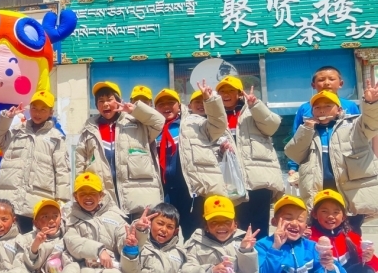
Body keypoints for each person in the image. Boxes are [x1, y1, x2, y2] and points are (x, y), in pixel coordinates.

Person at [284, 84, 378, 235]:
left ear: (339, 110)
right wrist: (307, 128)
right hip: (318, 191)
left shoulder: (354, 125)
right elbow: (293, 152)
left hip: (349, 192)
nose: (322, 110)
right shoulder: (308, 130)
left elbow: (372, 123)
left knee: (351, 232)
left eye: (328, 106)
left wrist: (371, 103)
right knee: (319, 233)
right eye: (317, 107)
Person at [75, 81, 165, 217]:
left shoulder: (137, 122)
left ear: (118, 101)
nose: (105, 104)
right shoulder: (89, 129)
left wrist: (135, 110)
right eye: (101, 101)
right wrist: (80, 191)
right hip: (104, 200)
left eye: (109, 99)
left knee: (140, 231)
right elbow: (80, 163)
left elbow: (159, 121)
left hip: (138, 200)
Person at [153, 83, 227, 240]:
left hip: (190, 189)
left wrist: (210, 100)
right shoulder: (152, 130)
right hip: (165, 190)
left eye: (170, 103)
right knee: (167, 230)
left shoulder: (194, 123)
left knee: (193, 231)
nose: (166, 107)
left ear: (179, 106)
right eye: (161, 104)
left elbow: (218, 125)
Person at [0, 90, 70, 234]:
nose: (37, 113)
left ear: (51, 112)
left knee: (32, 240)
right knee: (5, 239)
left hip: (37, 202)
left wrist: (61, 200)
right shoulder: (17, 131)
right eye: (34, 108)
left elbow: (62, 170)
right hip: (10, 198)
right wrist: (6, 118)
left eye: (43, 109)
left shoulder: (56, 138)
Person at [216, 75, 283, 237]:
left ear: (240, 93)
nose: (226, 94)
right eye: (222, 91)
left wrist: (256, 106)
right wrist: (220, 151)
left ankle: (260, 253)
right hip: (232, 181)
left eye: (231, 90)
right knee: (238, 227)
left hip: (258, 179)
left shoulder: (252, 110)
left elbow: (272, 126)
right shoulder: (215, 116)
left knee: (260, 228)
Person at [180, 195, 262, 273]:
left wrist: (245, 251)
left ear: (235, 225)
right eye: (214, 222)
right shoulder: (195, 244)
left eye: (227, 221)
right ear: (206, 226)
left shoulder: (242, 242)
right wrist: (211, 270)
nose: (221, 226)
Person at [307, 189, 378, 273]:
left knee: (367, 272)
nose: (331, 216)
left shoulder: (350, 236)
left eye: (336, 212)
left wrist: (368, 258)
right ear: (314, 214)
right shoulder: (308, 237)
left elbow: (375, 264)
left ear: (343, 216)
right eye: (324, 211)